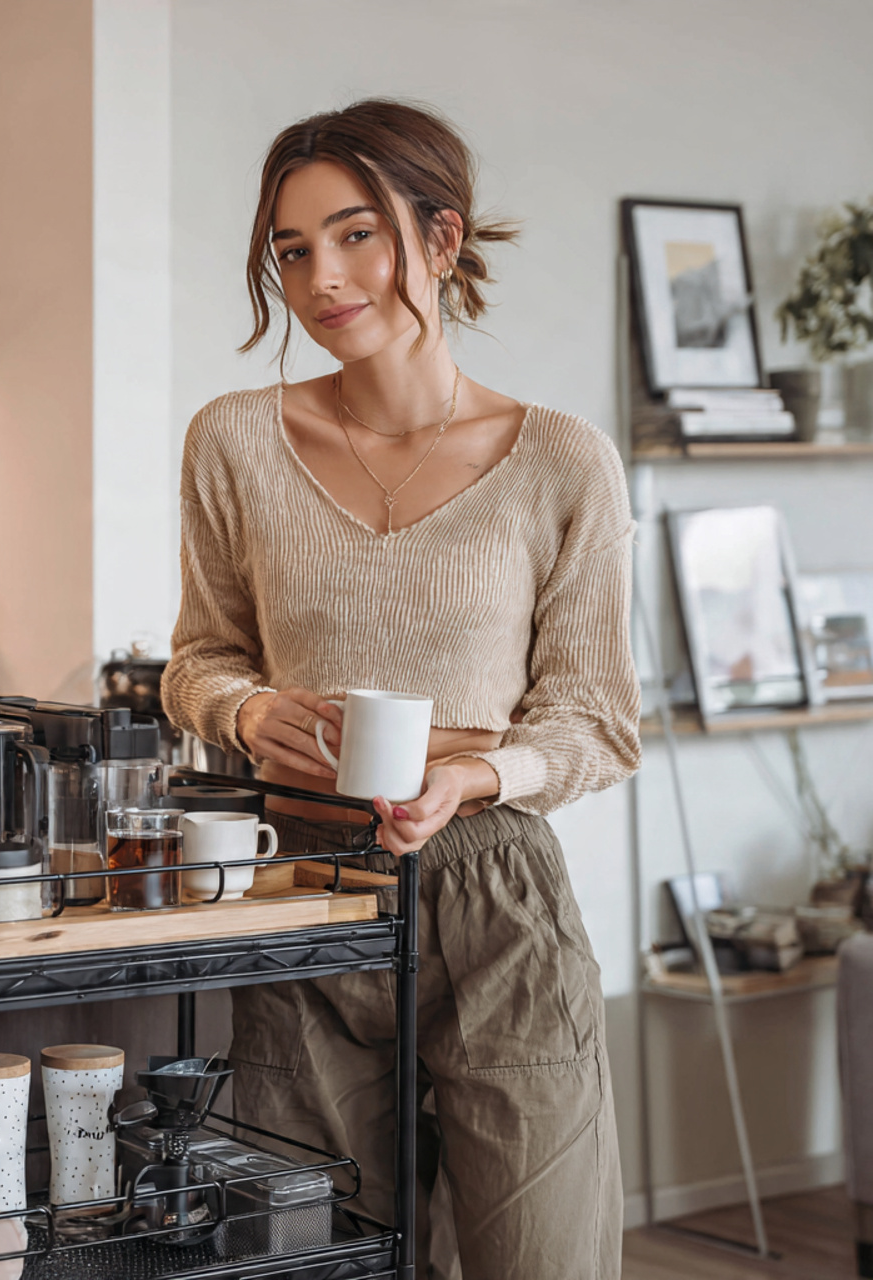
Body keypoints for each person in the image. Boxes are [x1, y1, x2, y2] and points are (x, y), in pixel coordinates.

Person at [160, 99, 640, 1280]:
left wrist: (475, 772)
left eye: (354, 233)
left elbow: (594, 721)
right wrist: (244, 711)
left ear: (439, 236)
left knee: (544, 1255)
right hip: (303, 886)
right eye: (289, 249)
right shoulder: (232, 440)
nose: (319, 278)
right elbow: (200, 658)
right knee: (313, 1258)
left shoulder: (561, 458)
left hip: (495, 894)